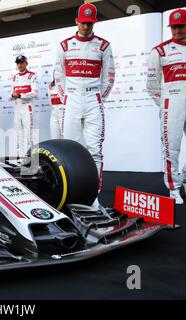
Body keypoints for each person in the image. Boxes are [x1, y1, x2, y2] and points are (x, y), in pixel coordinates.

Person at [54, 3, 115, 208]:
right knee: (70, 149)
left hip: (93, 100)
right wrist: (66, 98)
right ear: (76, 21)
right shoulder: (64, 45)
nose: (86, 27)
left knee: (94, 150)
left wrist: (99, 97)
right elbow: (59, 75)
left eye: (90, 23)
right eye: (83, 22)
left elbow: (109, 76)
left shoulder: (104, 46)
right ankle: (71, 191)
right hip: (72, 100)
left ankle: (93, 195)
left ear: (94, 23)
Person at [147, 9, 186, 204]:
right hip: (170, 103)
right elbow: (152, 84)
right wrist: (165, 103)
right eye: (173, 27)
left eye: (180, 26)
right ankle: (173, 187)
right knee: (171, 149)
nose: (176, 30)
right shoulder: (160, 50)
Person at [11, 54, 39, 159]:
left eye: (21, 62)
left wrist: (20, 95)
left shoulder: (32, 75)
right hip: (18, 107)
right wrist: (12, 96)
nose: (20, 64)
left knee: (30, 135)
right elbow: (12, 93)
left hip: (28, 107)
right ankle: (20, 159)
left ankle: (34, 159)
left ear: (26, 63)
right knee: (18, 134)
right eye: (18, 63)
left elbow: (35, 93)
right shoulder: (15, 77)